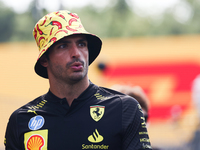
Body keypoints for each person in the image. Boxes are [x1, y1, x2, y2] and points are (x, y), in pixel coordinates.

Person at [4, 10, 152, 150]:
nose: (76, 53)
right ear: (44, 60)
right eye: (63, 46)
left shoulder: (124, 108)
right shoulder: (21, 120)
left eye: (81, 44)